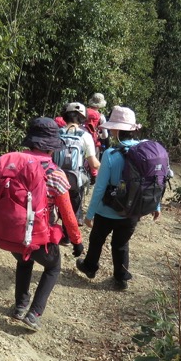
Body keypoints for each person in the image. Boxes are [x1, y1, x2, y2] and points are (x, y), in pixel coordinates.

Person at [0, 117, 84, 332]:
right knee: (53, 267)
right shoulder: (54, 173)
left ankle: (20, 306)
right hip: (37, 237)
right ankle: (34, 313)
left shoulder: (7, 163)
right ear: (52, 146)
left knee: (23, 261)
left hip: (7, 236)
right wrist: (76, 241)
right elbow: (67, 214)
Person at [76, 106, 160, 291]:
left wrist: (89, 213)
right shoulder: (146, 152)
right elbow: (154, 181)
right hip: (132, 211)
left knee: (97, 239)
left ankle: (90, 267)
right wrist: (157, 206)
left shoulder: (110, 154)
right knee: (121, 244)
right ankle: (121, 278)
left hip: (107, 209)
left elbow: (100, 187)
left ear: (115, 130)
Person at [59, 102, 100, 227]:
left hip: (56, 177)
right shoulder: (85, 136)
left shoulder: (57, 133)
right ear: (82, 118)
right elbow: (93, 163)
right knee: (72, 208)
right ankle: (67, 235)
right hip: (75, 179)